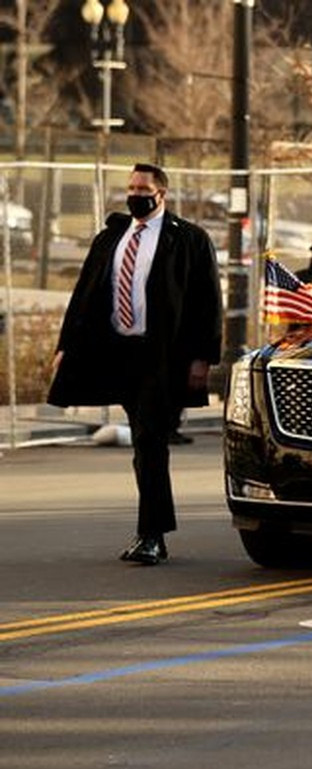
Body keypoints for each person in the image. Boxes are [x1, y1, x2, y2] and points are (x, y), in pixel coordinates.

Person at [47, 163, 222, 565]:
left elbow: (208, 301)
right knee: (144, 442)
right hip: (115, 351)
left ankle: (152, 534)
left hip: (160, 356)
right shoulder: (112, 236)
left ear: (162, 194)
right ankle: (151, 531)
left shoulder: (188, 239)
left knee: (149, 439)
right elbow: (84, 293)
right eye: (130, 187)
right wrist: (66, 346)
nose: (134, 195)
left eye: (143, 189)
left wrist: (203, 357)